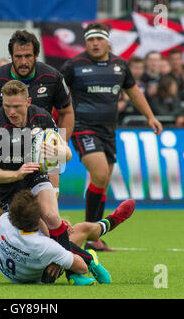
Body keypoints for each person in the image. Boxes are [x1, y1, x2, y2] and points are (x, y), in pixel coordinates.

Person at [0, 80, 108, 286]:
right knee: (43, 234)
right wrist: (16, 174)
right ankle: (87, 260)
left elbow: (66, 153)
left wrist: (59, 153)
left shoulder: (41, 116)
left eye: (17, 106)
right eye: (7, 106)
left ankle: (73, 273)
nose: (11, 111)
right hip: (7, 187)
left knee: (52, 216)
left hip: (36, 176)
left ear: (28, 101)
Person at [60, 22, 163, 251]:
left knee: (103, 182)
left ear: (107, 41)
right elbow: (56, 90)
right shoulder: (74, 65)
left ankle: (92, 235)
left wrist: (150, 116)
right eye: (90, 40)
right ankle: (90, 234)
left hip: (108, 131)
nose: (95, 44)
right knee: (100, 173)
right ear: (85, 42)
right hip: (83, 127)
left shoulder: (120, 65)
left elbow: (133, 91)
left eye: (99, 39)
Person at [0, 29, 74, 219]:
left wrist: (56, 145)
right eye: (18, 56)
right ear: (11, 56)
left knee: (49, 213)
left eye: (28, 56)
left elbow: (67, 112)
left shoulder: (53, 77)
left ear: (36, 55)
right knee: (7, 215)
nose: (23, 62)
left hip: (42, 146)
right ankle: (8, 245)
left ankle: (52, 244)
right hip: (6, 152)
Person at [0, 189, 135, 284]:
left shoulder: (3, 222)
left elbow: (40, 235)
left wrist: (59, 225)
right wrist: (59, 257)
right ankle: (110, 223)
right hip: (44, 276)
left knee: (64, 236)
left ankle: (72, 275)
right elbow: (82, 268)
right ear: (39, 218)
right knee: (82, 229)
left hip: (11, 272)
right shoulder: (46, 246)